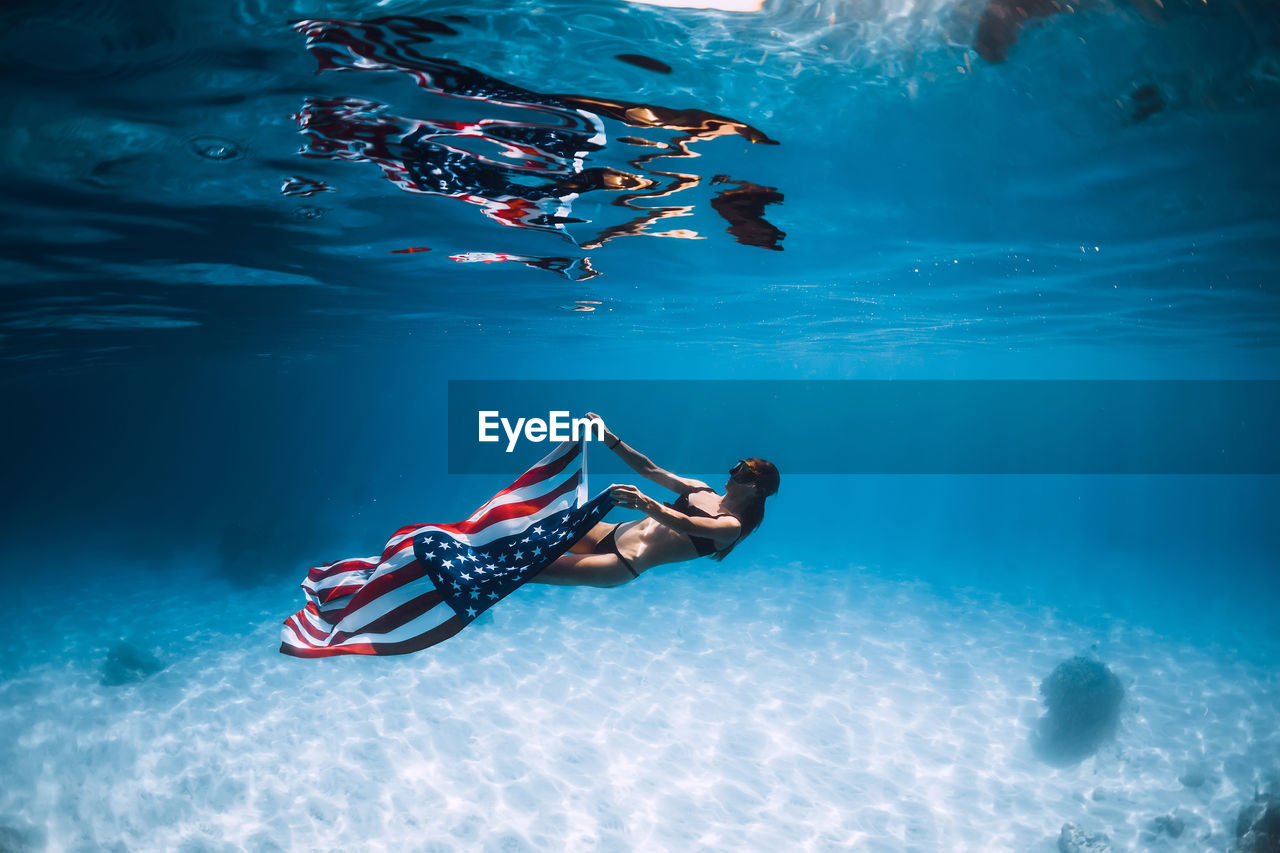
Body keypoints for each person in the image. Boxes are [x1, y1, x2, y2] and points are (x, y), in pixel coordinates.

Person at [529, 414, 780, 588]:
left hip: (619, 562)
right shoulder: (700, 488)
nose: (733, 473)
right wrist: (609, 438)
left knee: (529, 571)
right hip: (608, 533)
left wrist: (645, 504)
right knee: (532, 527)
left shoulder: (731, 527)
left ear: (757, 490)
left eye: (743, 472)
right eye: (737, 466)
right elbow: (650, 469)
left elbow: (685, 524)